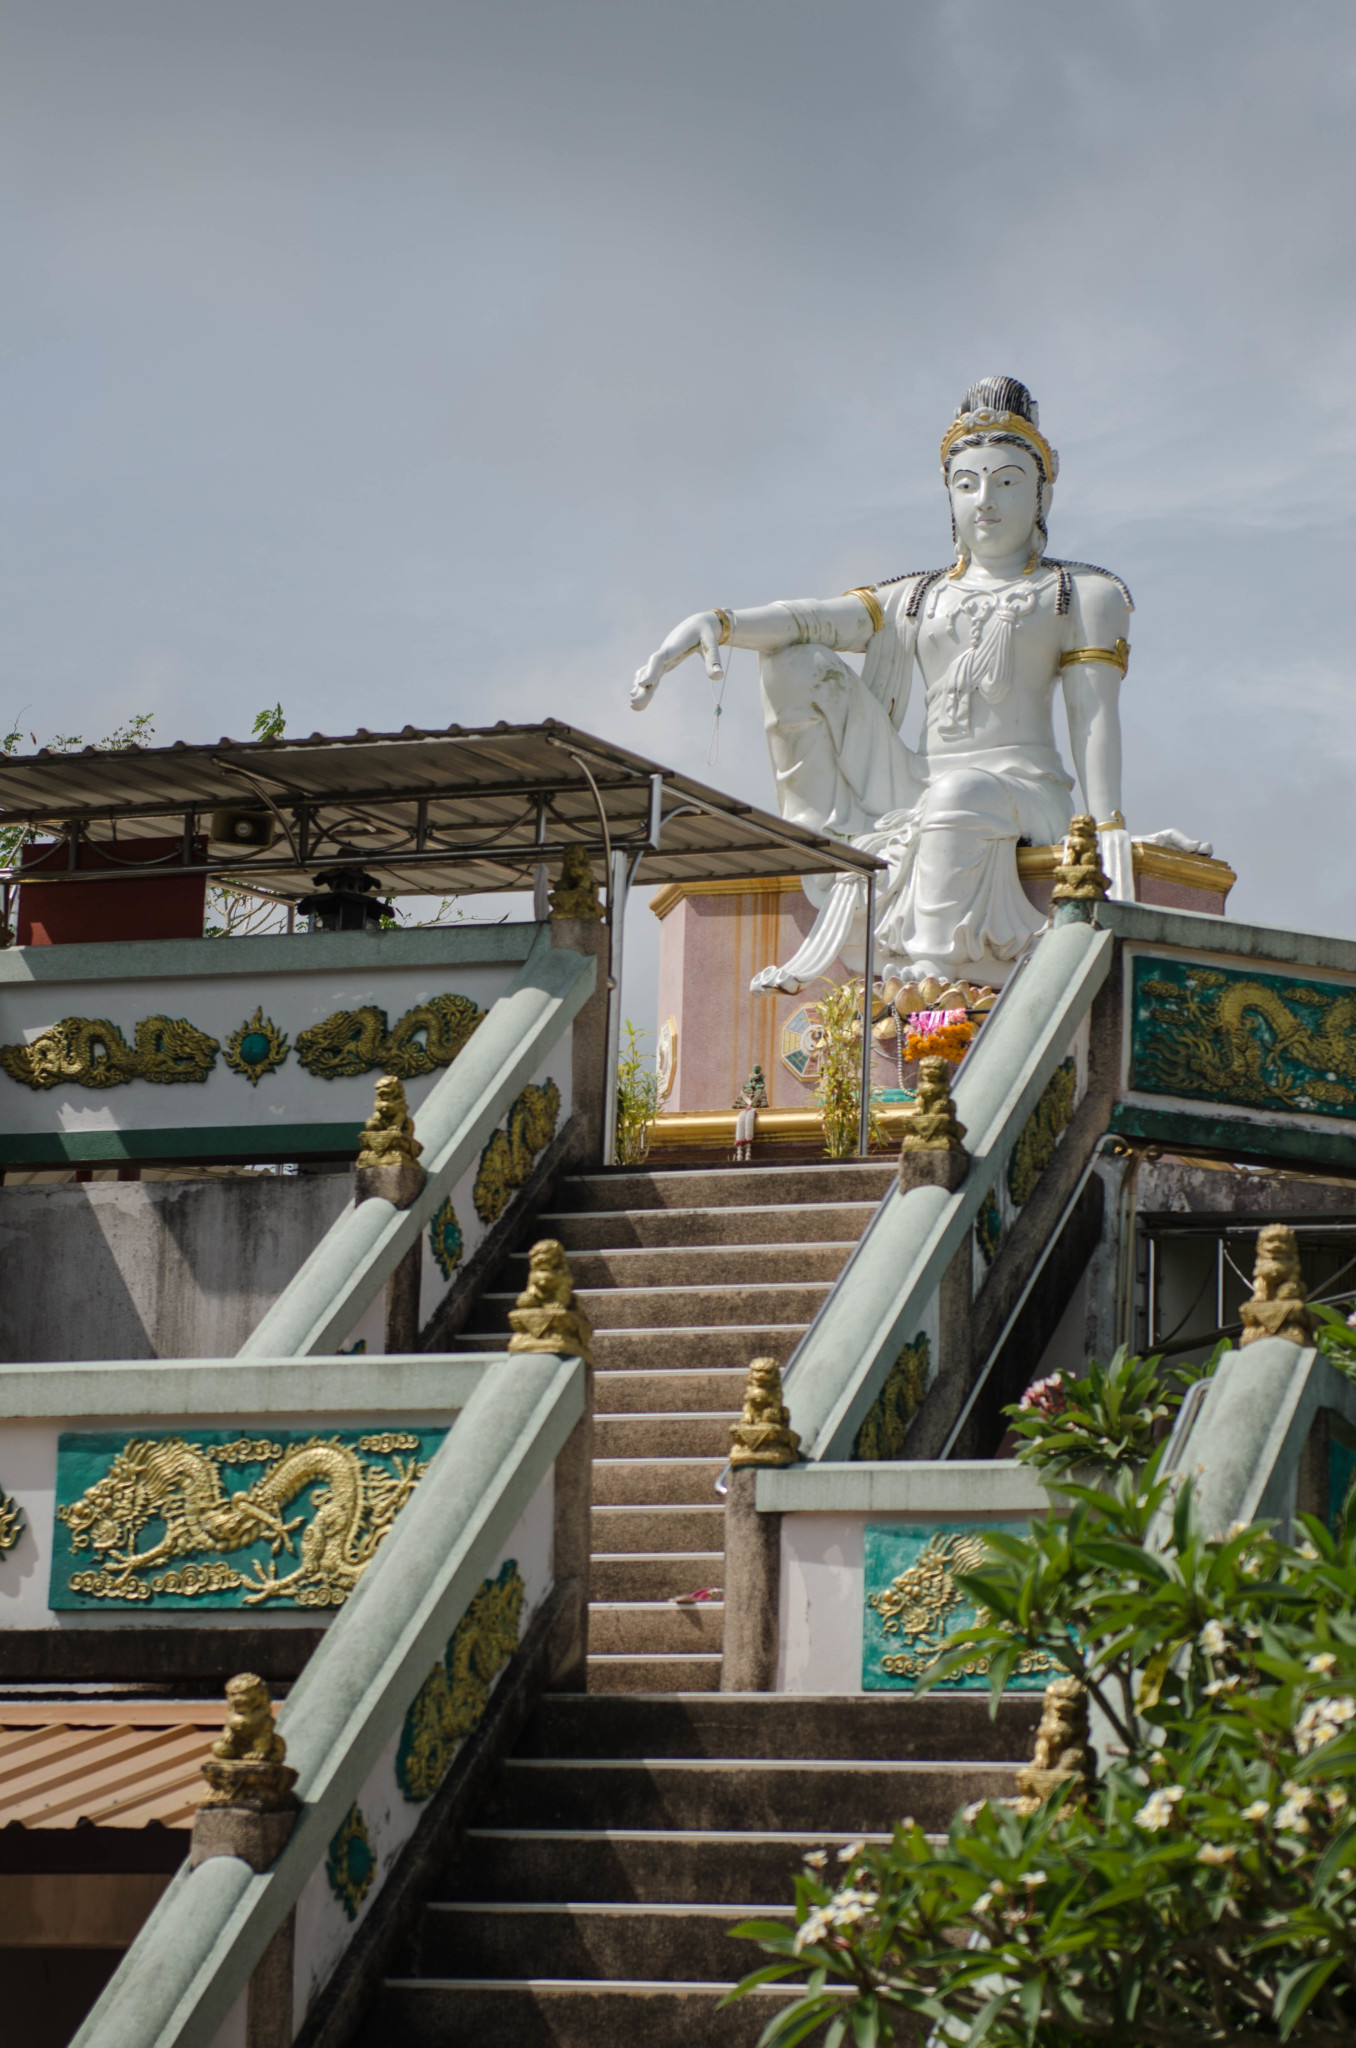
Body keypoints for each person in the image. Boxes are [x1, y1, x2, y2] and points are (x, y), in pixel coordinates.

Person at [631, 375, 1163, 993]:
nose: (985, 500)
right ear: (949, 498)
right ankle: (829, 841)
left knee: (959, 791)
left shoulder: (1079, 594)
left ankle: (930, 972)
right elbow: (812, 618)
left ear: (1042, 496)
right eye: (967, 484)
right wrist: (720, 624)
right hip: (920, 782)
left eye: (1007, 481)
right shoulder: (918, 598)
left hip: (1024, 790)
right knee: (792, 660)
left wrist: (1105, 830)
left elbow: (1093, 717)